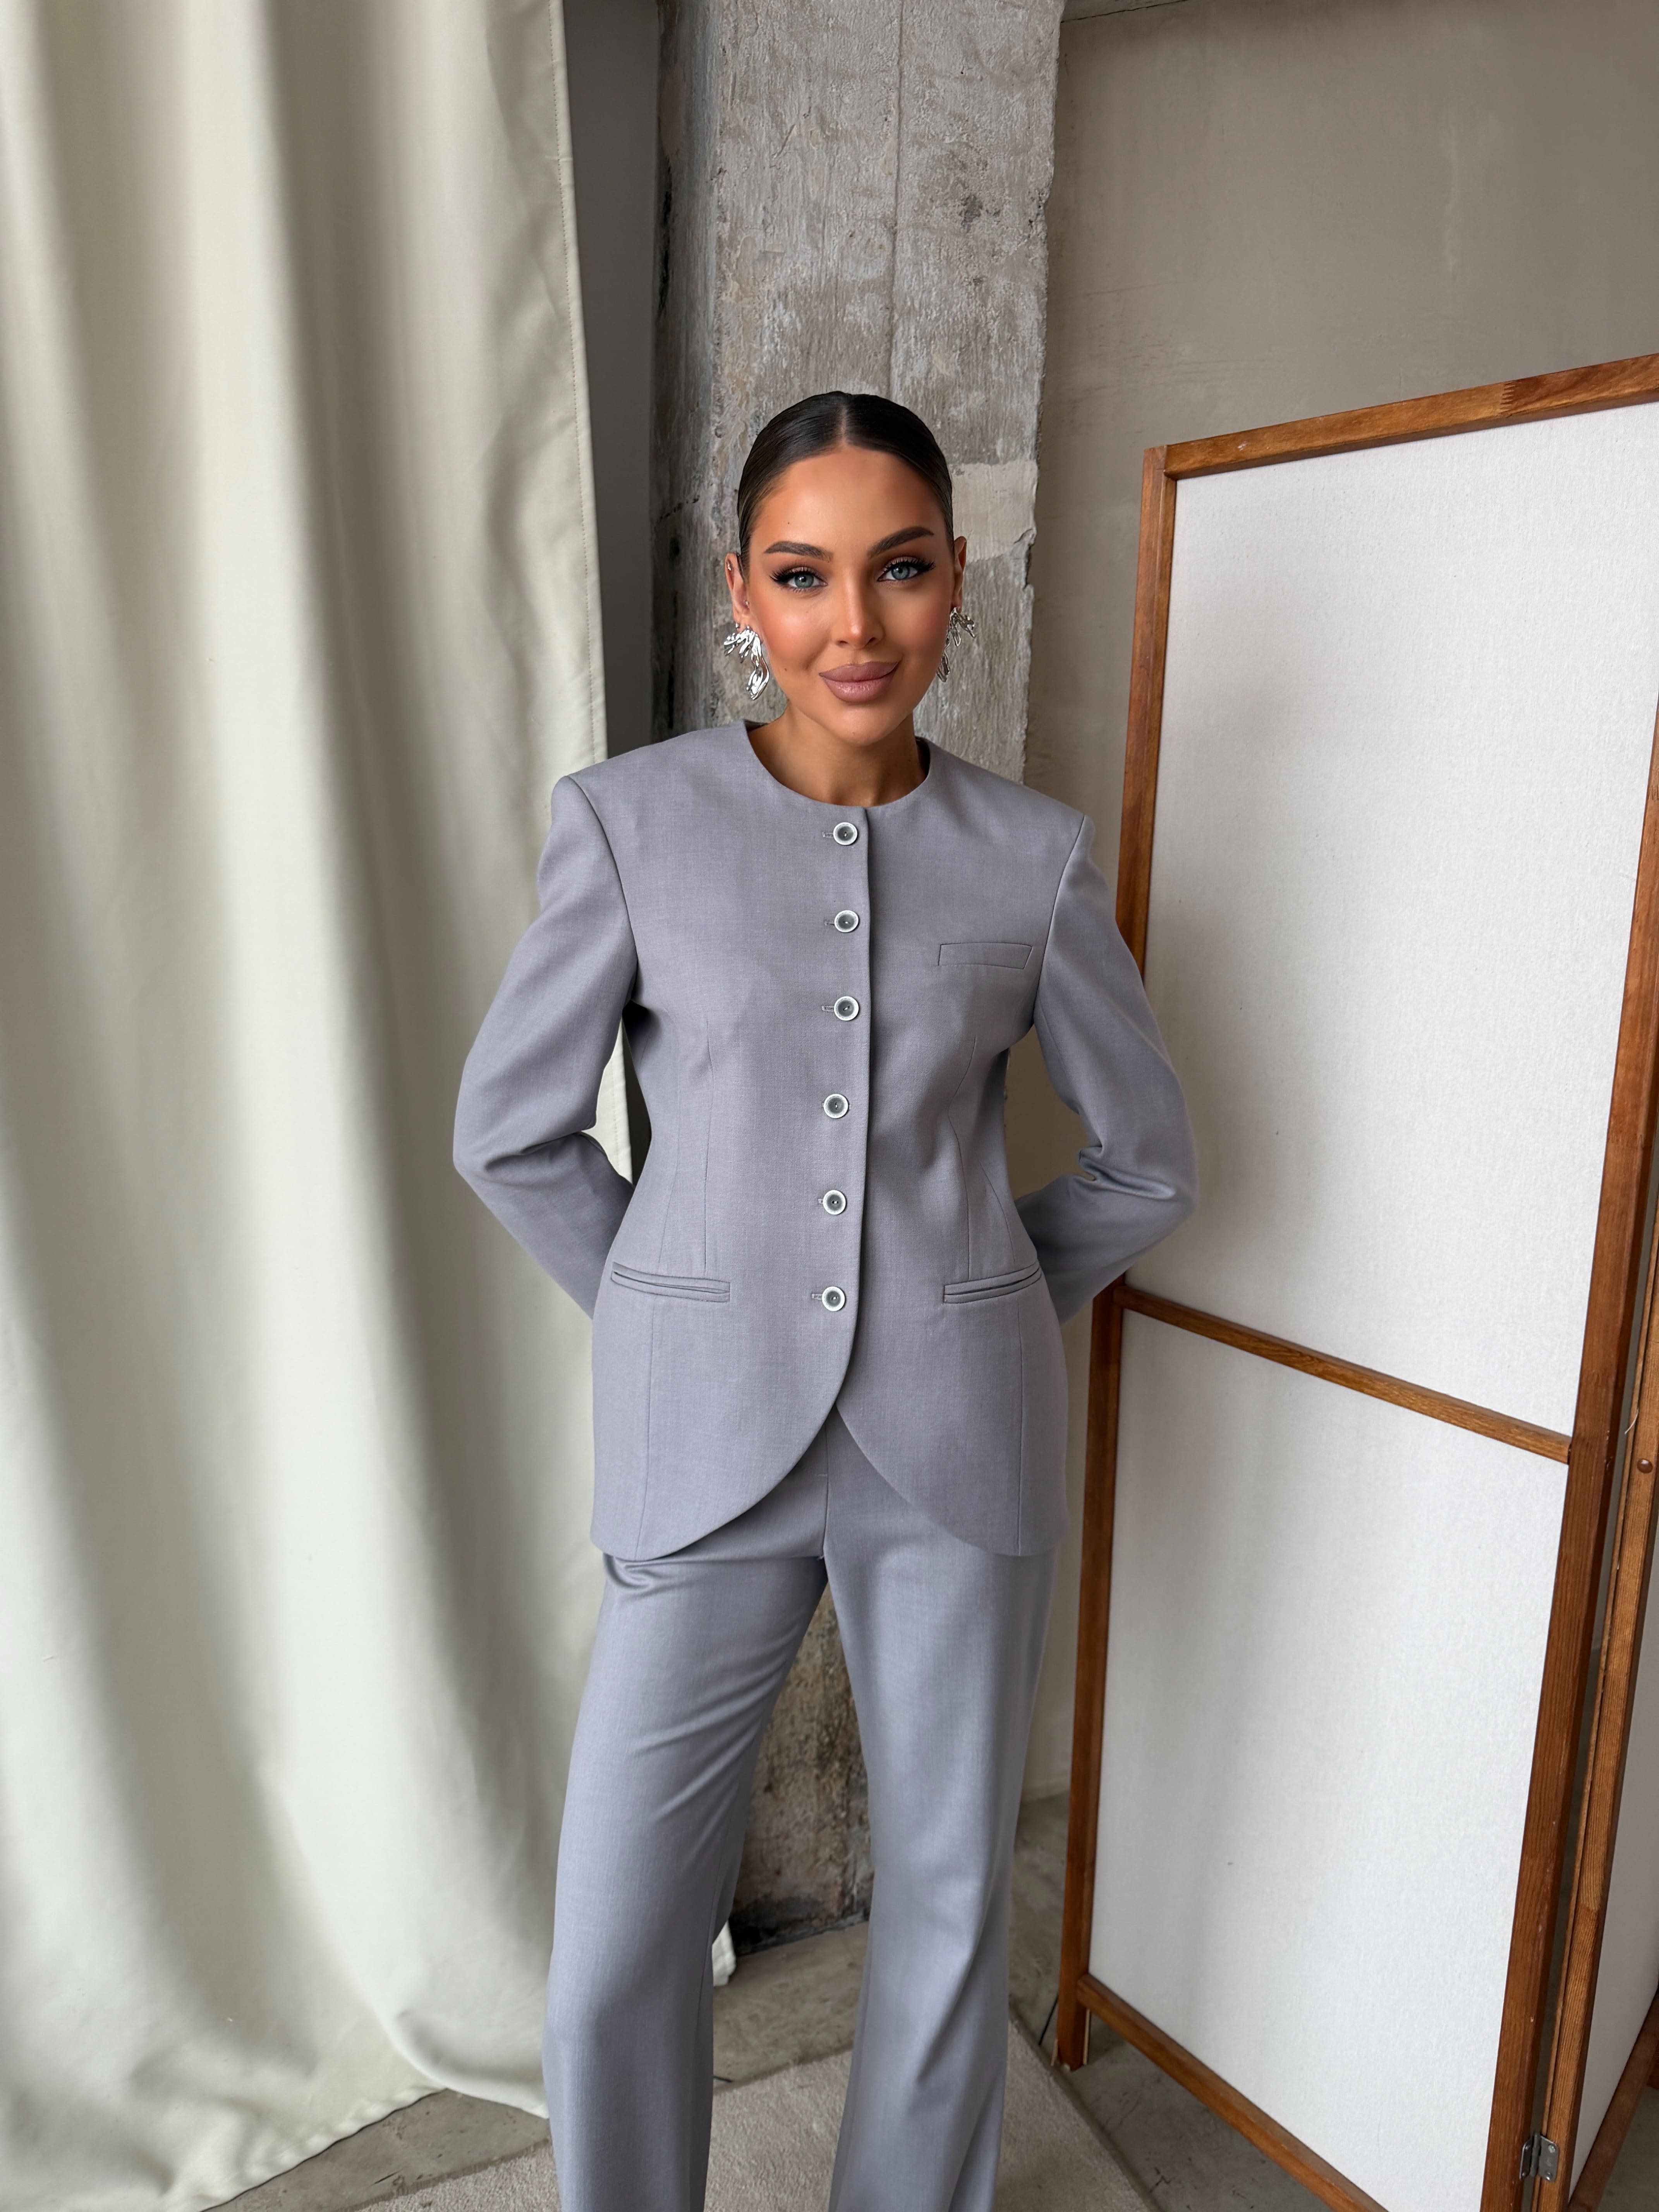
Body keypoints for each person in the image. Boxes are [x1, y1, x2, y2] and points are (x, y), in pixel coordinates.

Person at [452, 391, 1196, 2212]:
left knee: (945, 1897)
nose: (854, 625)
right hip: (708, 1447)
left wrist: (983, 1299)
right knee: (620, 1939)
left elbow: (1149, 1160)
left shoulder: (1030, 857)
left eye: (900, 569)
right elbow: (512, 1133)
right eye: (803, 575)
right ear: (742, 592)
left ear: (958, 580)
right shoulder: (628, 825)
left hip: (958, 1447)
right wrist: (675, 1315)